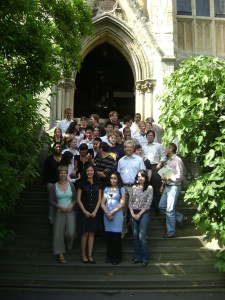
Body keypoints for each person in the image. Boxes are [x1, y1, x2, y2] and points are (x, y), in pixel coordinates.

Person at [117, 140, 146, 238]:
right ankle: (123, 230)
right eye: (126, 147)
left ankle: (138, 231)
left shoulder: (139, 159)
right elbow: (118, 175)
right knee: (123, 211)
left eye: (130, 147)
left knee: (136, 210)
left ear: (133, 148)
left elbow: (143, 174)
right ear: (124, 148)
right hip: (124, 187)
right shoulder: (121, 161)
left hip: (135, 187)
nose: (128, 149)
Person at [48, 165, 76, 263]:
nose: (63, 174)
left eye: (64, 173)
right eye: (61, 173)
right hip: (59, 212)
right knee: (58, 234)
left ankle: (69, 244)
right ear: (58, 174)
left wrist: (72, 205)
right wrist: (58, 206)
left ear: (67, 174)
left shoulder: (71, 185)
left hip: (70, 211)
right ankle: (61, 255)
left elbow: (75, 199)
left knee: (70, 233)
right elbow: (50, 200)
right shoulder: (54, 186)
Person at [159, 143, 187, 238]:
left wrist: (168, 178)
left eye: (166, 147)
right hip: (167, 186)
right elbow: (165, 173)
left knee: (170, 210)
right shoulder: (168, 160)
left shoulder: (178, 160)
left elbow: (180, 175)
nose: (165, 149)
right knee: (161, 206)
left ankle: (171, 232)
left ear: (171, 149)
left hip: (174, 187)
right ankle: (180, 217)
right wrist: (163, 184)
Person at [76, 164, 102, 264]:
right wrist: (85, 211)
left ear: (94, 172)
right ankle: (83, 255)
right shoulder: (81, 184)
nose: (89, 173)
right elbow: (78, 199)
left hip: (94, 212)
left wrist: (95, 211)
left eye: (91, 171)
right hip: (84, 212)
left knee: (91, 233)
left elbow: (99, 199)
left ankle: (90, 255)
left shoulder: (98, 183)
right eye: (87, 171)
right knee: (84, 233)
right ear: (85, 172)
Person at [129, 170, 153, 266]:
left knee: (141, 236)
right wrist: (132, 214)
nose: (140, 178)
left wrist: (139, 214)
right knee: (135, 236)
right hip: (133, 212)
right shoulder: (133, 188)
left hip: (144, 213)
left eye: (142, 176)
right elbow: (130, 202)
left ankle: (145, 258)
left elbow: (148, 203)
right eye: (139, 176)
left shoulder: (149, 188)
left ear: (145, 177)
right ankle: (137, 257)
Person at [101, 172, 126, 265]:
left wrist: (112, 212)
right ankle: (109, 257)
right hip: (107, 215)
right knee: (109, 237)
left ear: (118, 179)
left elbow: (122, 203)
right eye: (111, 178)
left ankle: (117, 258)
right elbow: (102, 203)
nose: (113, 180)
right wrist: (107, 213)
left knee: (116, 237)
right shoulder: (106, 189)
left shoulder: (121, 189)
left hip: (117, 215)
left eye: (115, 178)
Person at [142, 130, 166, 214]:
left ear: (154, 136)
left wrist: (160, 163)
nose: (150, 137)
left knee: (156, 186)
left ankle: (156, 205)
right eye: (148, 135)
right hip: (146, 167)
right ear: (146, 136)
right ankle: (148, 205)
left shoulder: (159, 145)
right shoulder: (143, 146)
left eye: (152, 135)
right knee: (147, 186)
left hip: (156, 166)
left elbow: (163, 156)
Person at [43, 143, 63, 224]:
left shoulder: (64, 158)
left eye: (60, 147)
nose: (58, 148)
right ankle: (51, 219)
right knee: (52, 201)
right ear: (53, 148)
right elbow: (45, 171)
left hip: (62, 183)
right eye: (57, 147)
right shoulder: (49, 159)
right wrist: (44, 183)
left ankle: (60, 219)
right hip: (51, 183)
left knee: (61, 200)